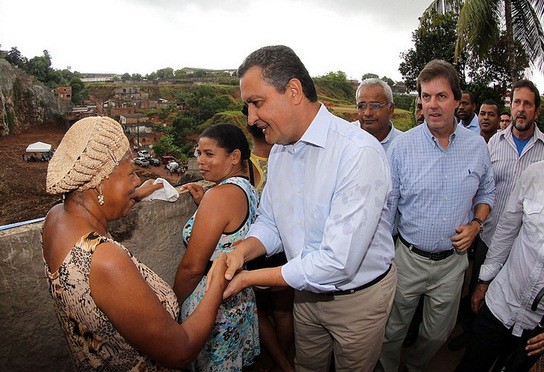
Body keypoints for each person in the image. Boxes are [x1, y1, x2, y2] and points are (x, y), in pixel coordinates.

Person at [210, 45, 396, 371]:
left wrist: (249, 278)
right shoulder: (281, 150)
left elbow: (338, 262)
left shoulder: (357, 153)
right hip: (304, 295)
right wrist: (242, 252)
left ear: (293, 91)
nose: (251, 118)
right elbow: (271, 220)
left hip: (357, 301)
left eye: (257, 103)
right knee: (306, 365)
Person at [42, 116, 229, 370]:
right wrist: (216, 284)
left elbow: (93, 208)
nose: (136, 182)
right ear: (99, 182)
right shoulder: (106, 260)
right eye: (130, 174)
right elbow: (181, 350)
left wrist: (132, 197)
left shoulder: (55, 218)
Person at [376, 59, 495, 372]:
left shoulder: (477, 146)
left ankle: (414, 368)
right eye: (425, 97)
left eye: (441, 96)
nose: (432, 104)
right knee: (392, 331)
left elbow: (486, 194)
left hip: (453, 263)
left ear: (456, 100)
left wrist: (476, 224)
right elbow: (389, 207)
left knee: (437, 333)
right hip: (407, 258)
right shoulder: (402, 148)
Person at [449, 80, 544, 351]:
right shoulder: (492, 145)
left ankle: (503, 342)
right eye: (517, 103)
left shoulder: (543, 150)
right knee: (480, 287)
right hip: (490, 235)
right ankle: (472, 334)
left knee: (514, 293)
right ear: (510, 106)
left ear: (536, 110)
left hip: (527, 245)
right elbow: (480, 187)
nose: (521, 109)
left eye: (528, 104)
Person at [174, 123, 260, 371]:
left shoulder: (220, 196)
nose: (200, 160)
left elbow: (192, 267)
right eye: (198, 153)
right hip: (237, 294)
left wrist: (172, 304)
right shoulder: (247, 188)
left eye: (209, 154)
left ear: (234, 157)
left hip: (211, 302)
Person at [456, 159, 544, 371]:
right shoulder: (535, 174)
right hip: (501, 302)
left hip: (536, 327)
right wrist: (484, 281)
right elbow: (506, 230)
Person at [243, 107, 295, 372]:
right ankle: (284, 358)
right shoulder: (287, 156)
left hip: (257, 250)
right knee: (283, 312)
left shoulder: (246, 167)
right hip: (285, 247)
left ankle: (276, 359)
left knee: (260, 311)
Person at [352, 78, 403, 151]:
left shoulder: (403, 144)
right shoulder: (345, 137)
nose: (367, 113)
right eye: (362, 106)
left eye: (375, 106)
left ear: (391, 109)